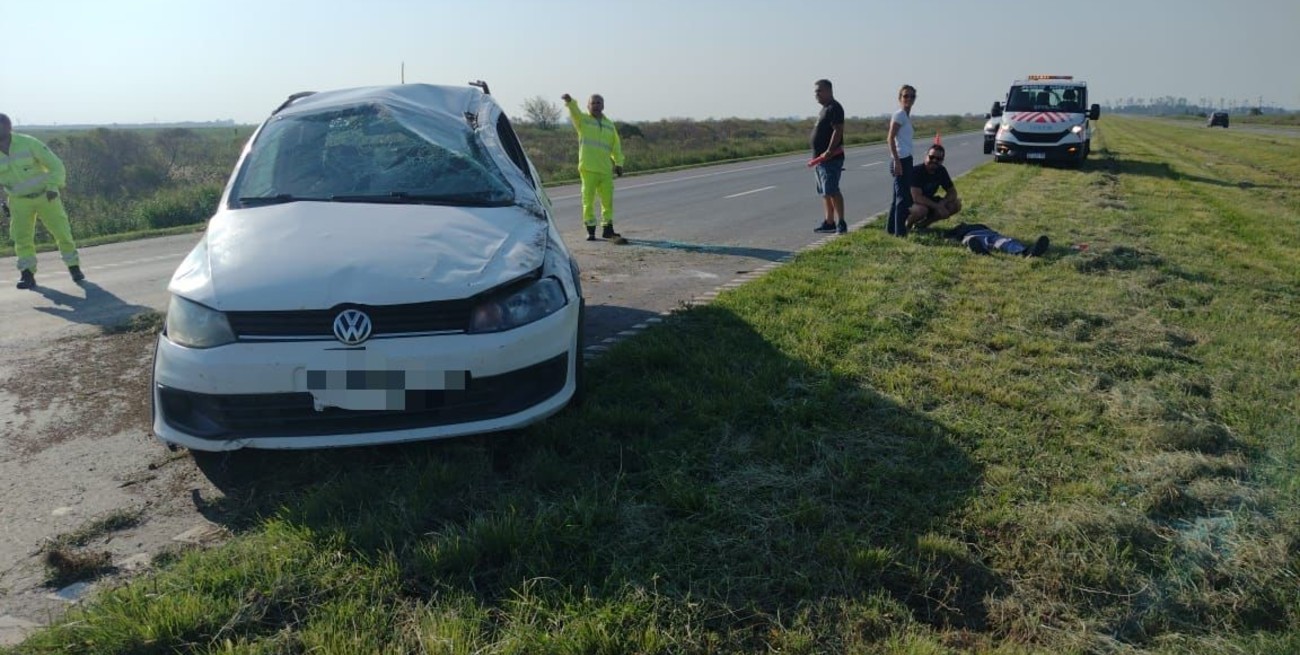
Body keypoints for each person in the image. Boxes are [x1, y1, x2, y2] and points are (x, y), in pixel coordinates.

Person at [0, 113, 83, 289]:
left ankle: (74, 267)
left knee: (62, 233)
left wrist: (53, 187)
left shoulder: (28, 142)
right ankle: (27, 274)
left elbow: (56, 165)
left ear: (9, 127)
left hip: (46, 195)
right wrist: (2, 203)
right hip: (19, 201)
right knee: (21, 238)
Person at [561, 92, 625, 241]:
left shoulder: (609, 125)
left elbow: (616, 146)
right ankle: (590, 230)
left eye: (598, 103)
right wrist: (570, 102)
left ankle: (608, 229)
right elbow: (574, 112)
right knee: (588, 201)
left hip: (605, 170)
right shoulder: (582, 121)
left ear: (603, 106)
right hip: (588, 168)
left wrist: (619, 163)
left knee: (607, 201)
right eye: (593, 103)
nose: (596, 106)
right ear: (588, 106)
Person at [810, 79, 847, 234]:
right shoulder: (824, 109)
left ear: (828, 91)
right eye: (815, 91)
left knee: (832, 190)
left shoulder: (834, 108)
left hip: (830, 158)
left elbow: (837, 131)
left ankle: (841, 223)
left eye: (819, 91)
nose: (816, 94)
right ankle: (829, 221)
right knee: (824, 192)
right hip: (819, 159)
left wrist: (830, 150)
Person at [906, 144, 961, 231]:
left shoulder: (941, 170)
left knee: (955, 204)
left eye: (938, 159)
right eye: (931, 157)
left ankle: (922, 225)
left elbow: (952, 192)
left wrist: (943, 203)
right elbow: (916, 197)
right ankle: (907, 226)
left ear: (942, 160)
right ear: (926, 156)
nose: (934, 160)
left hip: (929, 200)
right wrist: (938, 207)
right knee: (921, 210)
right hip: (910, 203)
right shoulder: (917, 171)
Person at [886, 85, 916, 237]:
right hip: (900, 159)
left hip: (906, 158)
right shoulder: (899, 115)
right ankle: (900, 233)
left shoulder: (905, 116)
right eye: (905, 96)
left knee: (897, 197)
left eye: (911, 96)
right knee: (902, 198)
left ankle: (891, 229)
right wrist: (897, 161)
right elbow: (890, 138)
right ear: (900, 98)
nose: (908, 99)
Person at [943, 222, 1049, 258]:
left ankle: (1026, 251)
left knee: (1003, 241)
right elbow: (948, 237)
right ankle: (981, 251)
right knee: (971, 240)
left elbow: (947, 237)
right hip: (972, 235)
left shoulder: (978, 225)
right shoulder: (959, 230)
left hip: (989, 233)